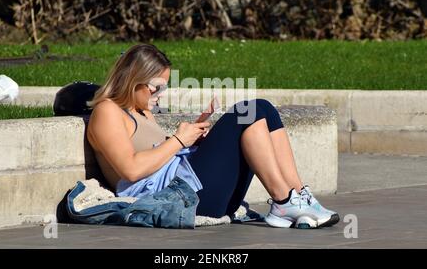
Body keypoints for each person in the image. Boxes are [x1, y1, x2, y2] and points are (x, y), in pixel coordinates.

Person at [86, 44, 339, 229]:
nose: (161, 94)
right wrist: (178, 141)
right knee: (244, 113)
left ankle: (297, 195)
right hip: (178, 197)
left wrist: (191, 141)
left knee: (263, 109)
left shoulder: (142, 110)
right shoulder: (108, 111)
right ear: (133, 81)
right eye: (157, 87)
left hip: (191, 187)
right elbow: (130, 169)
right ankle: (284, 202)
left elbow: (159, 156)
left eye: (165, 87)